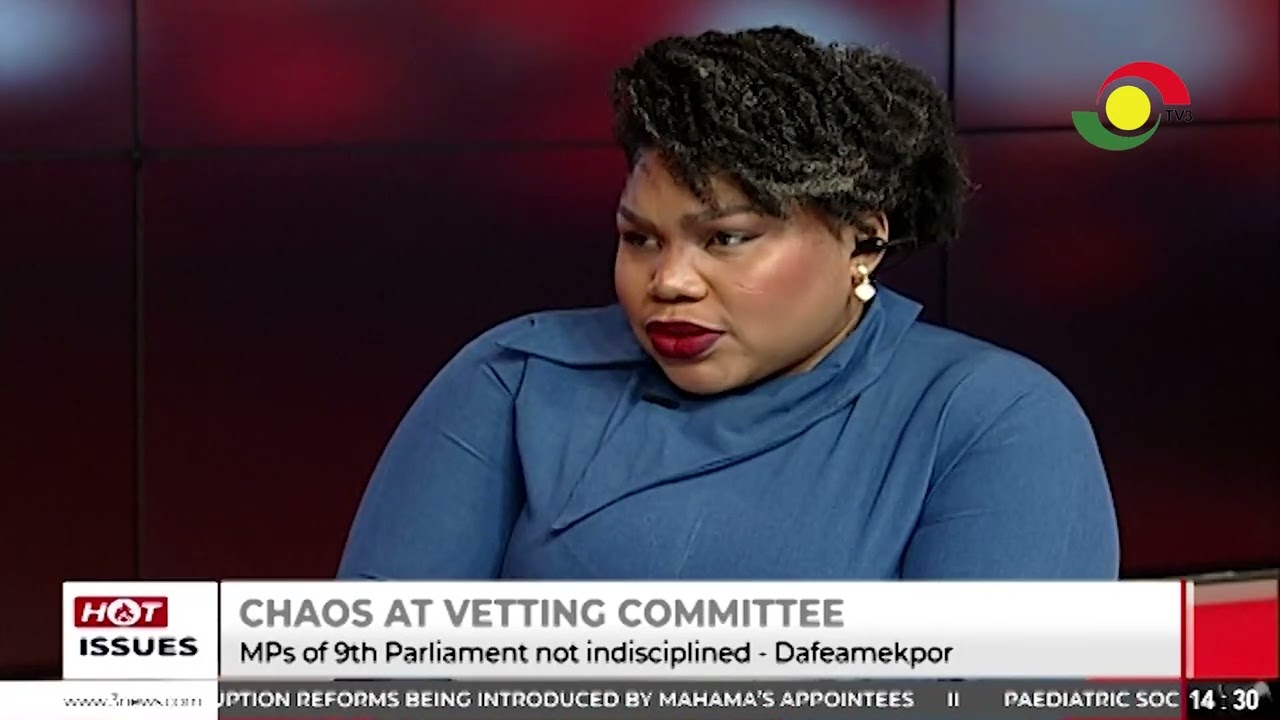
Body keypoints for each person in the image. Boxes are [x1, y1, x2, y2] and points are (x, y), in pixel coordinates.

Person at [338, 27, 1119, 580]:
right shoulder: (514, 379)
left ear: (863, 239)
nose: (670, 281)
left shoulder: (994, 420)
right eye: (640, 238)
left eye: (727, 239)